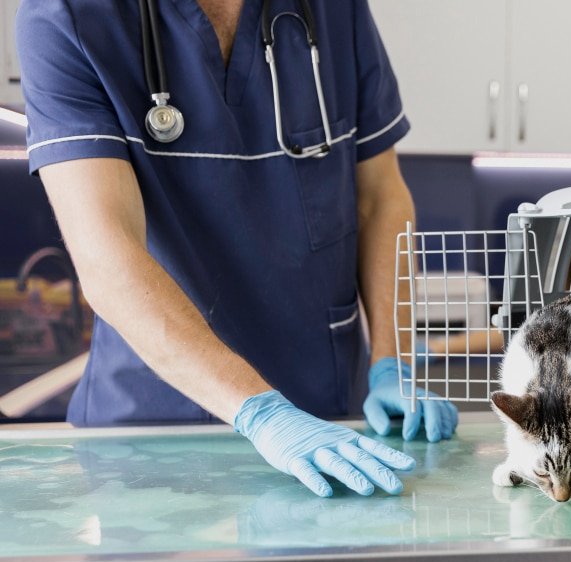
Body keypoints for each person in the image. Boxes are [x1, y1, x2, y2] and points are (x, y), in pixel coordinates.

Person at [15, 0, 458, 498]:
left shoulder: (336, 10)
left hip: (331, 425)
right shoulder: (67, 16)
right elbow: (106, 254)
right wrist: (262, 412)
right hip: (154, 439)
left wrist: (391, 363)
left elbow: (381, 198)